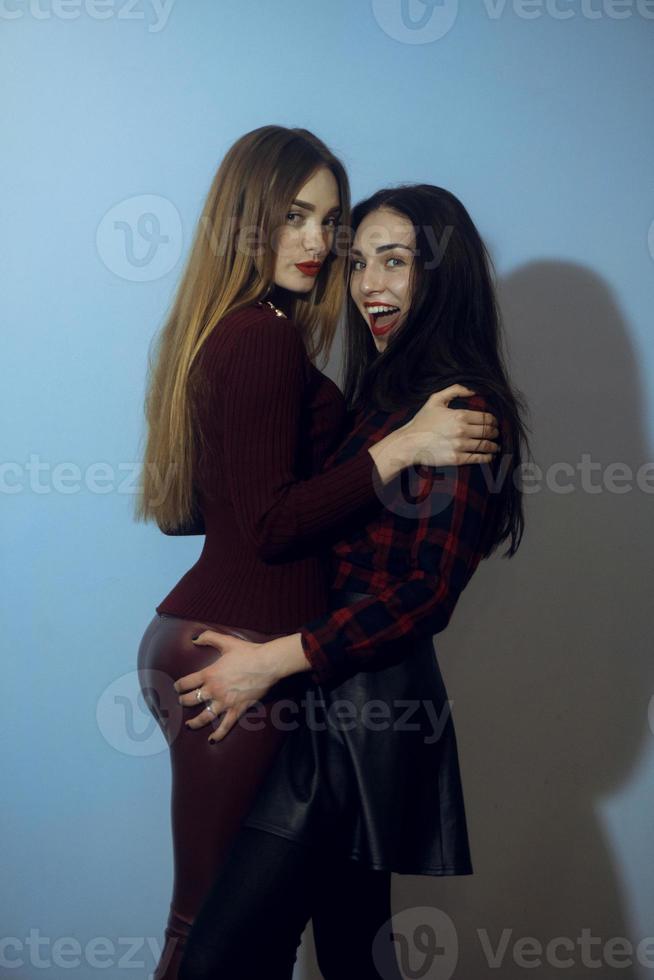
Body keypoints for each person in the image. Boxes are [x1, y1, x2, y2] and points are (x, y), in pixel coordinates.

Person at [134, 129, 501, 980]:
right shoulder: (273, 342)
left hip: (294, 677)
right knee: (213, 940)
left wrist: (279, 655)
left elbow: (419, 587)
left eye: (332, 226)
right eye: (297, 217)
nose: (327, 251)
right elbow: (263, 523)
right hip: (244, 656)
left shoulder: (437, 405)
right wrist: (397, 448)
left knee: (341, 946)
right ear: (245, 219)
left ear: (442, 276)